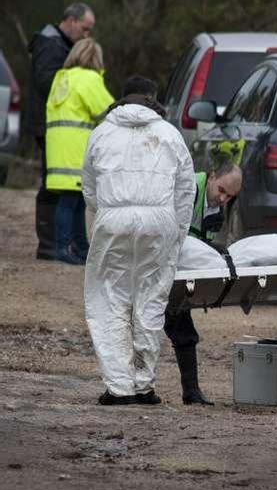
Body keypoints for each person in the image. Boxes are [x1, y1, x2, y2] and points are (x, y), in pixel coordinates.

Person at [82, 75, 195, 405]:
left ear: (121, 97)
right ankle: (144, 385)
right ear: (153, 97)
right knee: (150, 301)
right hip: (159, 221)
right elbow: (186, 191)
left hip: (113, 219)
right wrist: (177, 232)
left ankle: (119, 387)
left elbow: (89, 188)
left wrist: (105, 213)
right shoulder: (169, 135)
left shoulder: (101, 133)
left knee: (109, 299)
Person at [163, 164, 242, 405]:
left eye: (230, 196)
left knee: (184, 332)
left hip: (178, 273)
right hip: (159, 267)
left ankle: (192, 392)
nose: (223, 198)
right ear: (212, 177)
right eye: (221, 190)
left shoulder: (217, 211)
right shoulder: (187, 188)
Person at [26, 2, 96, 261]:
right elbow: (47, 83)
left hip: (52, 125)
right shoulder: (51, 45)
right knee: (54, 185)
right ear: (71, 21)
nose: (86, 35)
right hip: (48, 126)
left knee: (59, 186)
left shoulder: (57, 43)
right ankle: (49, 244)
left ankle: (57, 244)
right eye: (85, 29)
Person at [45, 38, 113, 264]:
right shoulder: (89, 79)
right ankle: (63, 249)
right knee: (69, 202)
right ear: (95, 58)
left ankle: (80, 248)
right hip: (76, 148)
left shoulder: (62, 78)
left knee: (73, 199)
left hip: (59, 148)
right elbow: (108, 111)